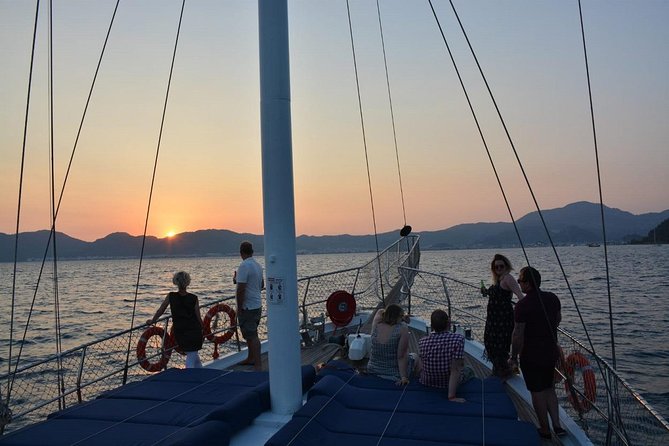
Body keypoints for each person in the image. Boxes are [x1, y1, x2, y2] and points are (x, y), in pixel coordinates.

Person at [509, 266, 566, 440]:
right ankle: (557, 425)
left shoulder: (522, 306)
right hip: (550, 352)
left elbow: (518, 334)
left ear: (528, 283)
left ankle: (545, 429)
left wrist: (513, 357)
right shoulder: (553, 298)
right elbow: (557, 320)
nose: (518, 283)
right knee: (549, 388)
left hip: (532, 355)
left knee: (537, 392)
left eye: (520, 280)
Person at [147, 271, 203, 368]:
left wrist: (153, 321)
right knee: (192, 354)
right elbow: (198, 317)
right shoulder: (194, 298)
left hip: (180, 331)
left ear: (176, 282)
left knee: (193, 354)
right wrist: (203, 329)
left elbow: (161, 310)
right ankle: (190, 377)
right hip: (194, 330)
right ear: (188, 282)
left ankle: (200, 372)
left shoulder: (171, 296)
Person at [482, 254, 524, 378]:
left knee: (500, 348)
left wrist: (522, 311)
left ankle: (504, 373)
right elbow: (495, 294)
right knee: (491, 345)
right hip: (493, 320)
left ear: (506, 266)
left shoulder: (508, 278)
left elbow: (520, 297)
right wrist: (486, 292)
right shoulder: (499, 279)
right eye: (496, 267)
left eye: (501, 266)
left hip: (503, 320)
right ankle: (500, 370)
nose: (499, 268)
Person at [418, 309, 470, 402]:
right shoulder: (458, 339)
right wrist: (452, 397)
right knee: (469, 370)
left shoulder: (423, 341)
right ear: (448, 323)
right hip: (446, 383)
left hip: (427, 381)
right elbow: (456, 370)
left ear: (432, 326)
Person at [234, 241, 264, 371]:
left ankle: (258, 364)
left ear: (241, 253)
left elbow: (241, 289)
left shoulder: (244, 266)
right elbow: (261, 285)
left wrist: (239, 307)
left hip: (248, 306)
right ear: (252, 251)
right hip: (257, 304)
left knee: (252, 336)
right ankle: (251, 358)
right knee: (250, 334)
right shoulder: (257, 265)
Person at [366, 304, 410, 385]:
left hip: (372, 369)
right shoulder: (402, 328)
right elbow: (401, 356)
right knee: (416, 358)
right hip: (393, 373)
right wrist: (403, 377)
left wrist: (399, 316)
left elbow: (380, 311)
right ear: (397, 317)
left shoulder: (376, 323)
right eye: (401, 316)